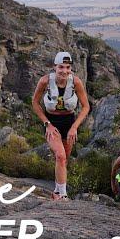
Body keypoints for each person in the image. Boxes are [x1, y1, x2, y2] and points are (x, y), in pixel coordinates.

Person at [32, 51, 90, 200]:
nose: (64, 71)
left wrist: (74, 127)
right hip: (52, 123)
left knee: (64, 159)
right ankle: (63, 195)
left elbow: (85, 107)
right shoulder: (45, 81)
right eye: (61, 67)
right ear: (55, 67)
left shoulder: (76, 82)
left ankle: (57, 191)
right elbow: (35, 103)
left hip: (69, 123)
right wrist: (47, 124)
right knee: (60, 155)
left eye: (67, 67)